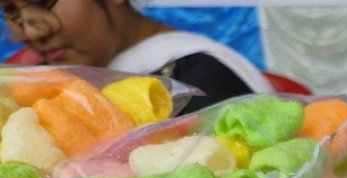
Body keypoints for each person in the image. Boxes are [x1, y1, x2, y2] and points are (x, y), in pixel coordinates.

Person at [1, 0, 272, 112]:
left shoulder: (200, 76)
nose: (32, 31)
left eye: (43, 2)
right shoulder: (44, 84)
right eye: (12, 11)